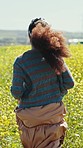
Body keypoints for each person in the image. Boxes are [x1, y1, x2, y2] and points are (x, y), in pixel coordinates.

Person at [11, 18, 74, 148]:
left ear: (30, 36)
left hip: (31, 119)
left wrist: (28, 92)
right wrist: (57, 92)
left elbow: (16, 93)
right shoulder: (55, 56)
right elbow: (70, 83)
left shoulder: (21, 61)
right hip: (54, 115)